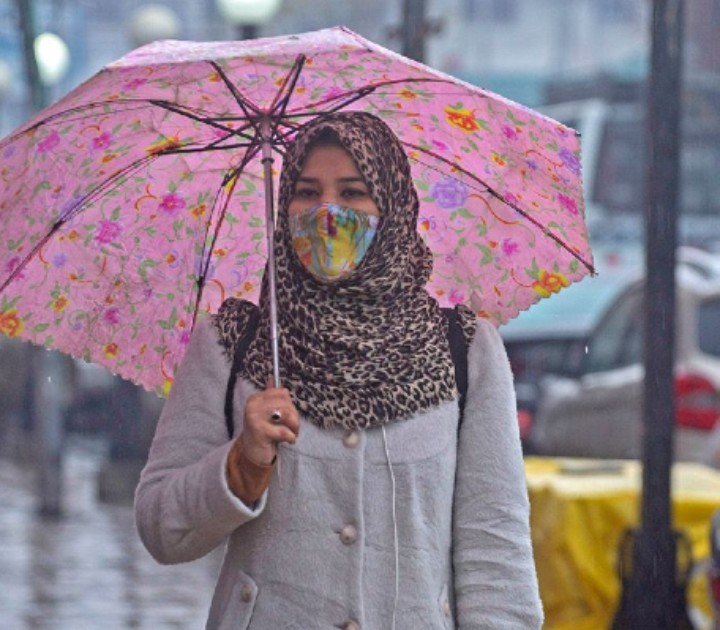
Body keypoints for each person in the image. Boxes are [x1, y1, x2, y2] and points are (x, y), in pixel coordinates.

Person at [134, 112, 542, 629]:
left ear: (390, 207)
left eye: (351, 194)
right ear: (283, 208)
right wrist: (240, 467)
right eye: (307, 192)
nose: (327, 212)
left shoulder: (464, 350)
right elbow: (161, 529)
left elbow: (495, 546)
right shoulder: (232, 344)